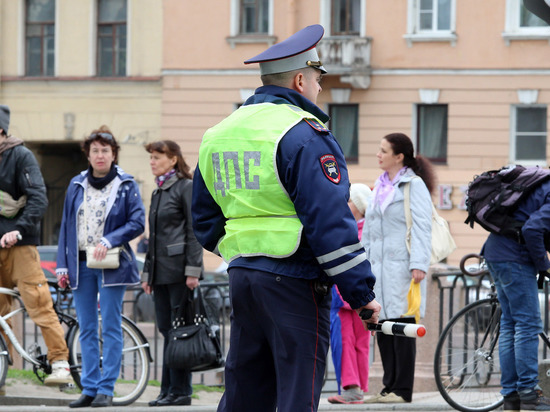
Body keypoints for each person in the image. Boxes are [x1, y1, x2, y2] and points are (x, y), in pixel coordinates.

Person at [191, 24, 381, 412]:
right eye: (317, 79)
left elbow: (205, 221)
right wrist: (361, 295)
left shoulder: (218, 134)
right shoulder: (306, 134)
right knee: (296, 394)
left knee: (246, 391)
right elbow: (331, 225)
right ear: (299, 80)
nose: (319, 88)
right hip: (295, 281)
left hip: (242, 275)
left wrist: (244, 250)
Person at [55, 126, 145, 408]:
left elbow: (137, 222)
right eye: (95, 150)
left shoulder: (126, 184)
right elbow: (67, 227)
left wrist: (110, 238)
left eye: (105, 150)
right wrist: (62, 266)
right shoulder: (76, 184)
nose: (100, 155)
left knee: (111, 327)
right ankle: (90, 388)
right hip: (81, 265)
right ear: (88, 154)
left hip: (112, 264)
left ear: (113, 153)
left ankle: (107, 388)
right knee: (86, 328)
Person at [0, 104, 73, 389]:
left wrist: (18, 230)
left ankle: (60, 363)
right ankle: (3, 368)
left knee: (40, 305)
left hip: (20, 246)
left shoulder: (20, 156)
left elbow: (39, 198)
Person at [362, 132, 434, 404]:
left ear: (399, 156)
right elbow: (368, 232)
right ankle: (387, 387)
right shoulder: (379, 186)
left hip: (403, 268)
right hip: (378, 270)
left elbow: (422, 227)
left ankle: (402, 389)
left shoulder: (413, 185)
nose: (378, 155)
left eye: (383, 150)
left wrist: (418, 263)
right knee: (382, 325)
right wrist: (363, 266)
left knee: (403, 326)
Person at [482, 167, 550, 411]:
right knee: (529, 324)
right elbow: (532, 229)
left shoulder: (539, 183)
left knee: (512, 323)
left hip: (496, 253)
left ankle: (511, 396)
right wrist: (544, 264)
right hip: (515, 259)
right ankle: (530, 393)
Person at [141, 140, 203, 407]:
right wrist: (147, 274)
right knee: (168, 332)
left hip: (179, 273)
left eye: (157, 157)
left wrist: (193, 271)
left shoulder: (185, 187)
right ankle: (168, 391)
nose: (152, 161)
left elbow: (194, 230)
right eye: (151, 157)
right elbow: (153, 238)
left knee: (180, 333)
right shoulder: (158, 191)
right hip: (160, 274)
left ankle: (181, 391)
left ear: (173, 159)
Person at [328, 183, 374, 405]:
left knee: (343, 341)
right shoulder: (371, 230)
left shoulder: (347, 230)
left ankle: (349, 387)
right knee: (361, 342)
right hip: (365, 295)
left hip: (342, 294)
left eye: (348, 201)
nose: (344, 204)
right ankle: (359, 388)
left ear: (356, 205)